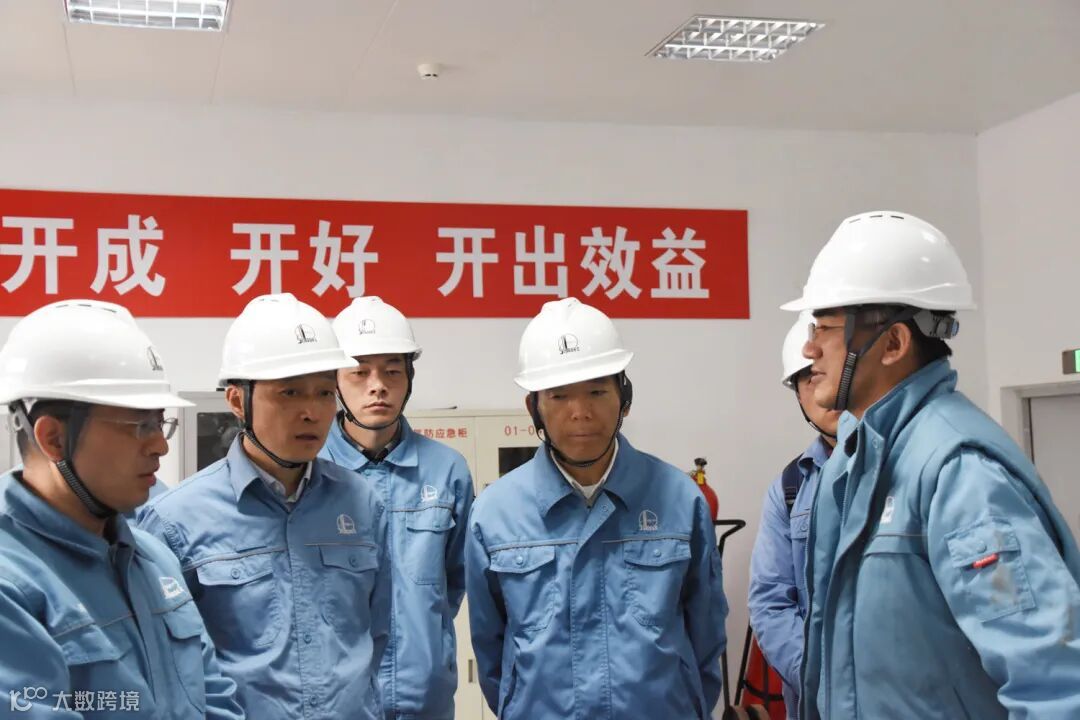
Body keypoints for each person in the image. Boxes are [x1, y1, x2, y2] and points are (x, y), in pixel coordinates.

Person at [784, 211, 1080, 719]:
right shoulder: (855, 458)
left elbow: (1053, 683)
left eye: (826, 328)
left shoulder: (959, 473)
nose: (809, 348)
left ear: (893, 343)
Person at [464, 297, 728, 719]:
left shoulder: (679, 498)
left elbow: (706, 635)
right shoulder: (495, 513)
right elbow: (492, 651)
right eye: (559, 395)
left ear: (624, 396)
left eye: (597, 391)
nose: (580, 412)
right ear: (534, 407)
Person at [138, 293, 391, 719]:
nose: (311, 412)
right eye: (289, 392)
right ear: (238, 401)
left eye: (325, 393)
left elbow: (377, 635)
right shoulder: (174, 520)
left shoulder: (362, 502)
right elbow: (166, 667)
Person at [0, 299, 243, 718]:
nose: (161, 445)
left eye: (160, 422)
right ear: (53, 438)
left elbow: (216, 701)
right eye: (140, 425)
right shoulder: (12, 587)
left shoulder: (154, 559)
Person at [320, 296, 474, 719]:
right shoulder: (310, 472)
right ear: (334, 381)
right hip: (337, 704)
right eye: (359, 372)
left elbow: (455, 582)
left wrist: (424, 638)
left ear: (409, 377)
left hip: (424, 699)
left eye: (392, 370)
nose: (377, 386)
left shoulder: (447, 470)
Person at [747, 311, 840, 719]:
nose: (824, 391)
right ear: (798, 395)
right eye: (809, 380)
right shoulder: (790, 488)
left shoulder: (910, 466)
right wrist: (822, 680)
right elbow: (770, 601)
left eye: (832, 373)